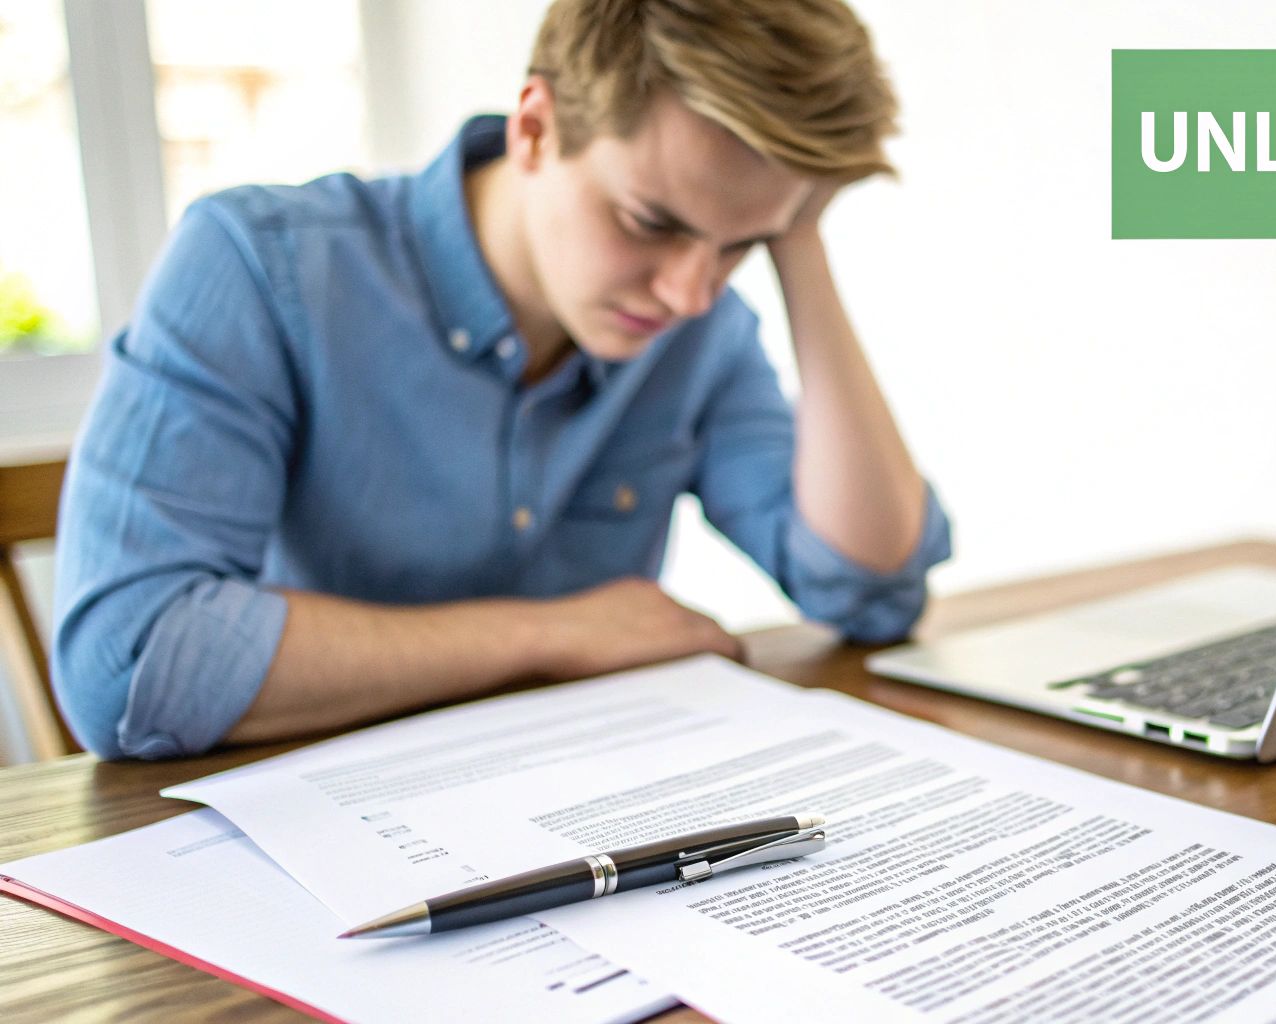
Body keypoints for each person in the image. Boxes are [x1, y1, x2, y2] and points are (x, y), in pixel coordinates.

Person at [51, 0, 950, 760]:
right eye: (649, 221)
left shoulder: (698, 326)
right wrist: (553, 634)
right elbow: (128, 662)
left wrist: (797, 237)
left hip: (582, 814)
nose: (688, 292)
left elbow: (869, 590)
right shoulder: (261, 269)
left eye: (738, 246)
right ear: (534, 128)